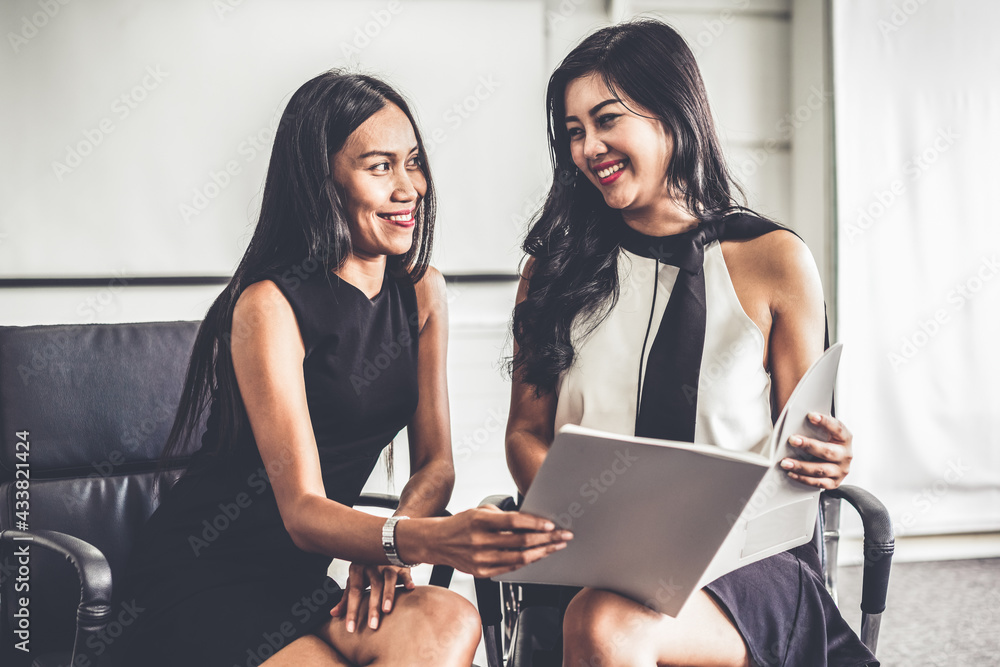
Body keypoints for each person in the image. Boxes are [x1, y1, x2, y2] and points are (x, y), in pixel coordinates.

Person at [110, 70, 571, 667]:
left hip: (301, 582)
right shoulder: (268, 304)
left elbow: (436, 464)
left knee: (446, 619)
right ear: (321, 181)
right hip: (202, 579)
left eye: (413, 163)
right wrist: (428, 540)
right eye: (380, 167)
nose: (409, 188)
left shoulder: (422, 292)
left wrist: (390, 546)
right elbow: (301, 511)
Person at [505, 20, 877, 667]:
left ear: (671, 112)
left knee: (602, 623)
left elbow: (806, 437)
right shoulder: (554, 267)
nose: (588, 146)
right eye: (572, 131)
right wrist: (593, 522)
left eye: (606, 120)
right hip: (593, 548)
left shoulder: (774, 259)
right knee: (600, 609)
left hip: (740, 567)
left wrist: (830, 455)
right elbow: (524, 433)